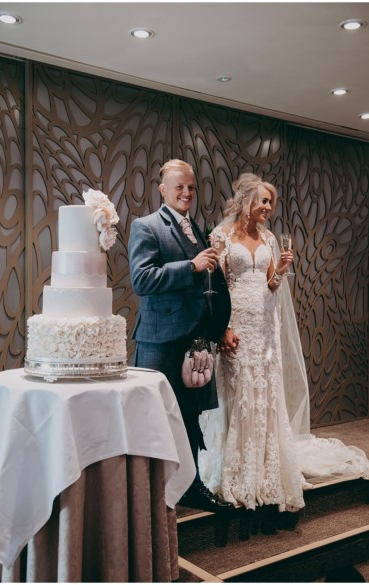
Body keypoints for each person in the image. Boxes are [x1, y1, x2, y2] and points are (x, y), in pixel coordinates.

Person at [199, 173, 369, 532]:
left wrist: (280, 271)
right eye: (263, 200)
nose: (268, 207)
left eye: (272, 202)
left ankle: (267, 468)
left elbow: (269, 284)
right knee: (237, 396)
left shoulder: (267, 238)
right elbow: (214, 286)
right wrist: (222, 328)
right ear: (246, 199)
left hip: (265, 325)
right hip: (236, 324)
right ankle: (236, 473)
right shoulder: (221, 236)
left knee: (265, 395)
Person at [129, 159, 233, 513]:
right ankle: (150, 495)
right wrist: (190, 266)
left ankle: (191, 485)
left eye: (191, 187)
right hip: (160, 340)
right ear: (162, 189)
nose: (187, 193)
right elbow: (142, 279)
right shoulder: (146, 227)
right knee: (157, 418)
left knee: (189, 416)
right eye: (179, 187)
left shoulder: (199, 231)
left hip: (194, 340)